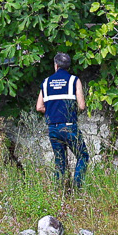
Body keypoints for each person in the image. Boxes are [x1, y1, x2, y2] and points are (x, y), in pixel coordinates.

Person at [36, 53, 89, 190]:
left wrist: (52, 113)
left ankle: (59, 191)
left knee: (60, 162)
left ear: (56, 65)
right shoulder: (73, 80)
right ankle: (77, 188)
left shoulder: (46, 82)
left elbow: (39, 107)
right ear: (68, 66)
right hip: (69, 126)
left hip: (53, 128)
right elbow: (82, 105)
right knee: (83, 156)